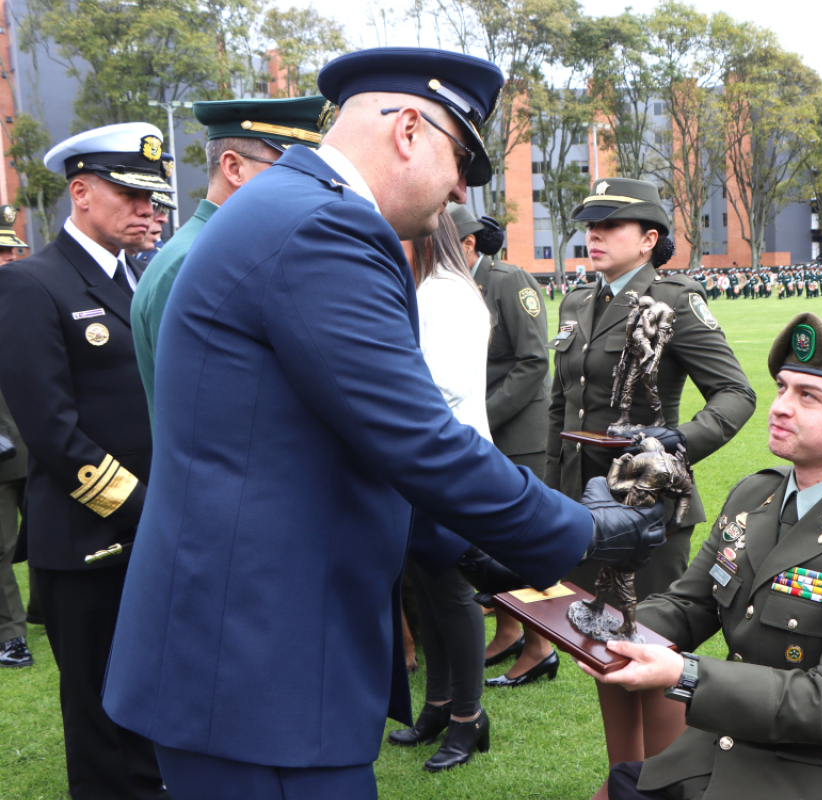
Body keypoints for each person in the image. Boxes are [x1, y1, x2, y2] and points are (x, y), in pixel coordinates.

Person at [99, 48, 663, 800]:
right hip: (259, 664)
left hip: (244, 650)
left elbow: (337, 444)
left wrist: (463, 548)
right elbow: (416, 437)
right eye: (462, 157)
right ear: (407, 129)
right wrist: (582, 532)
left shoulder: (292, 210)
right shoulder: (323, 227)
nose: (463, 186)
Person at [587, 314, 822, 800]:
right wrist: (603, 627)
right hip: (716, 748)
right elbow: (690, 605)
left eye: (808, 397)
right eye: (783, 388)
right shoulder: (755, 494)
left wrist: (685, 674)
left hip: (810, 773)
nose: (779, 407)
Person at [547, 177, 756, 796]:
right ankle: (623, 781)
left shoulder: (672, 301)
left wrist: (676, 443)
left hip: (644, 506)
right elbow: (559, 405)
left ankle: (665, 785)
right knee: (601, 647)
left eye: (609, 226)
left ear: (649, 240)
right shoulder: (577, 302)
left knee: (648, 648)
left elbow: (735, 394)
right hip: (581, 505)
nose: (594, 235)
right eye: (589, 225)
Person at [0, 122, 172, 799]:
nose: (148, 209)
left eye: (153, 197)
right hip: (88, 542)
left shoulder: (135, 284)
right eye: (130, 193)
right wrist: (145, 509)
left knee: (145, 697)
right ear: (80, 192)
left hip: (144, 533)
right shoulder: (33, 285)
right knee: (99, 713)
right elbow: (54, 433)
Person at [132, 96, 328, 422]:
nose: (312, 185)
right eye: (293, 169)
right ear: (233, 168)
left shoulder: (224, 251)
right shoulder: (193, 261)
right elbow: (207, 416)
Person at [435, 203, 559, 681]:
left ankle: (540, 645)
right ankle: (510, 633)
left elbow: (532, 361)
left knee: (521, 538)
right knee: (494, 541)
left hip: (516, 431)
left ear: (468, 244)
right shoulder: (457, 288)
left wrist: (479, 417)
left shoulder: (508, 281)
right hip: (481, 429)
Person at [390, 213, 493, 771]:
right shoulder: (429, 287)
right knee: (428, 591)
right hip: (427, 463)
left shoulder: (445, 293)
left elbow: (442, 386)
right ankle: (437, 704)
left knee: (453, 595)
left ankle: (467, 717)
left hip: (451, 465)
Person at [0, 386, 30, 668]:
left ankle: (45, 609)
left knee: (47, 535)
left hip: (36, 446)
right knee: (1, 548)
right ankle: (11, 634)